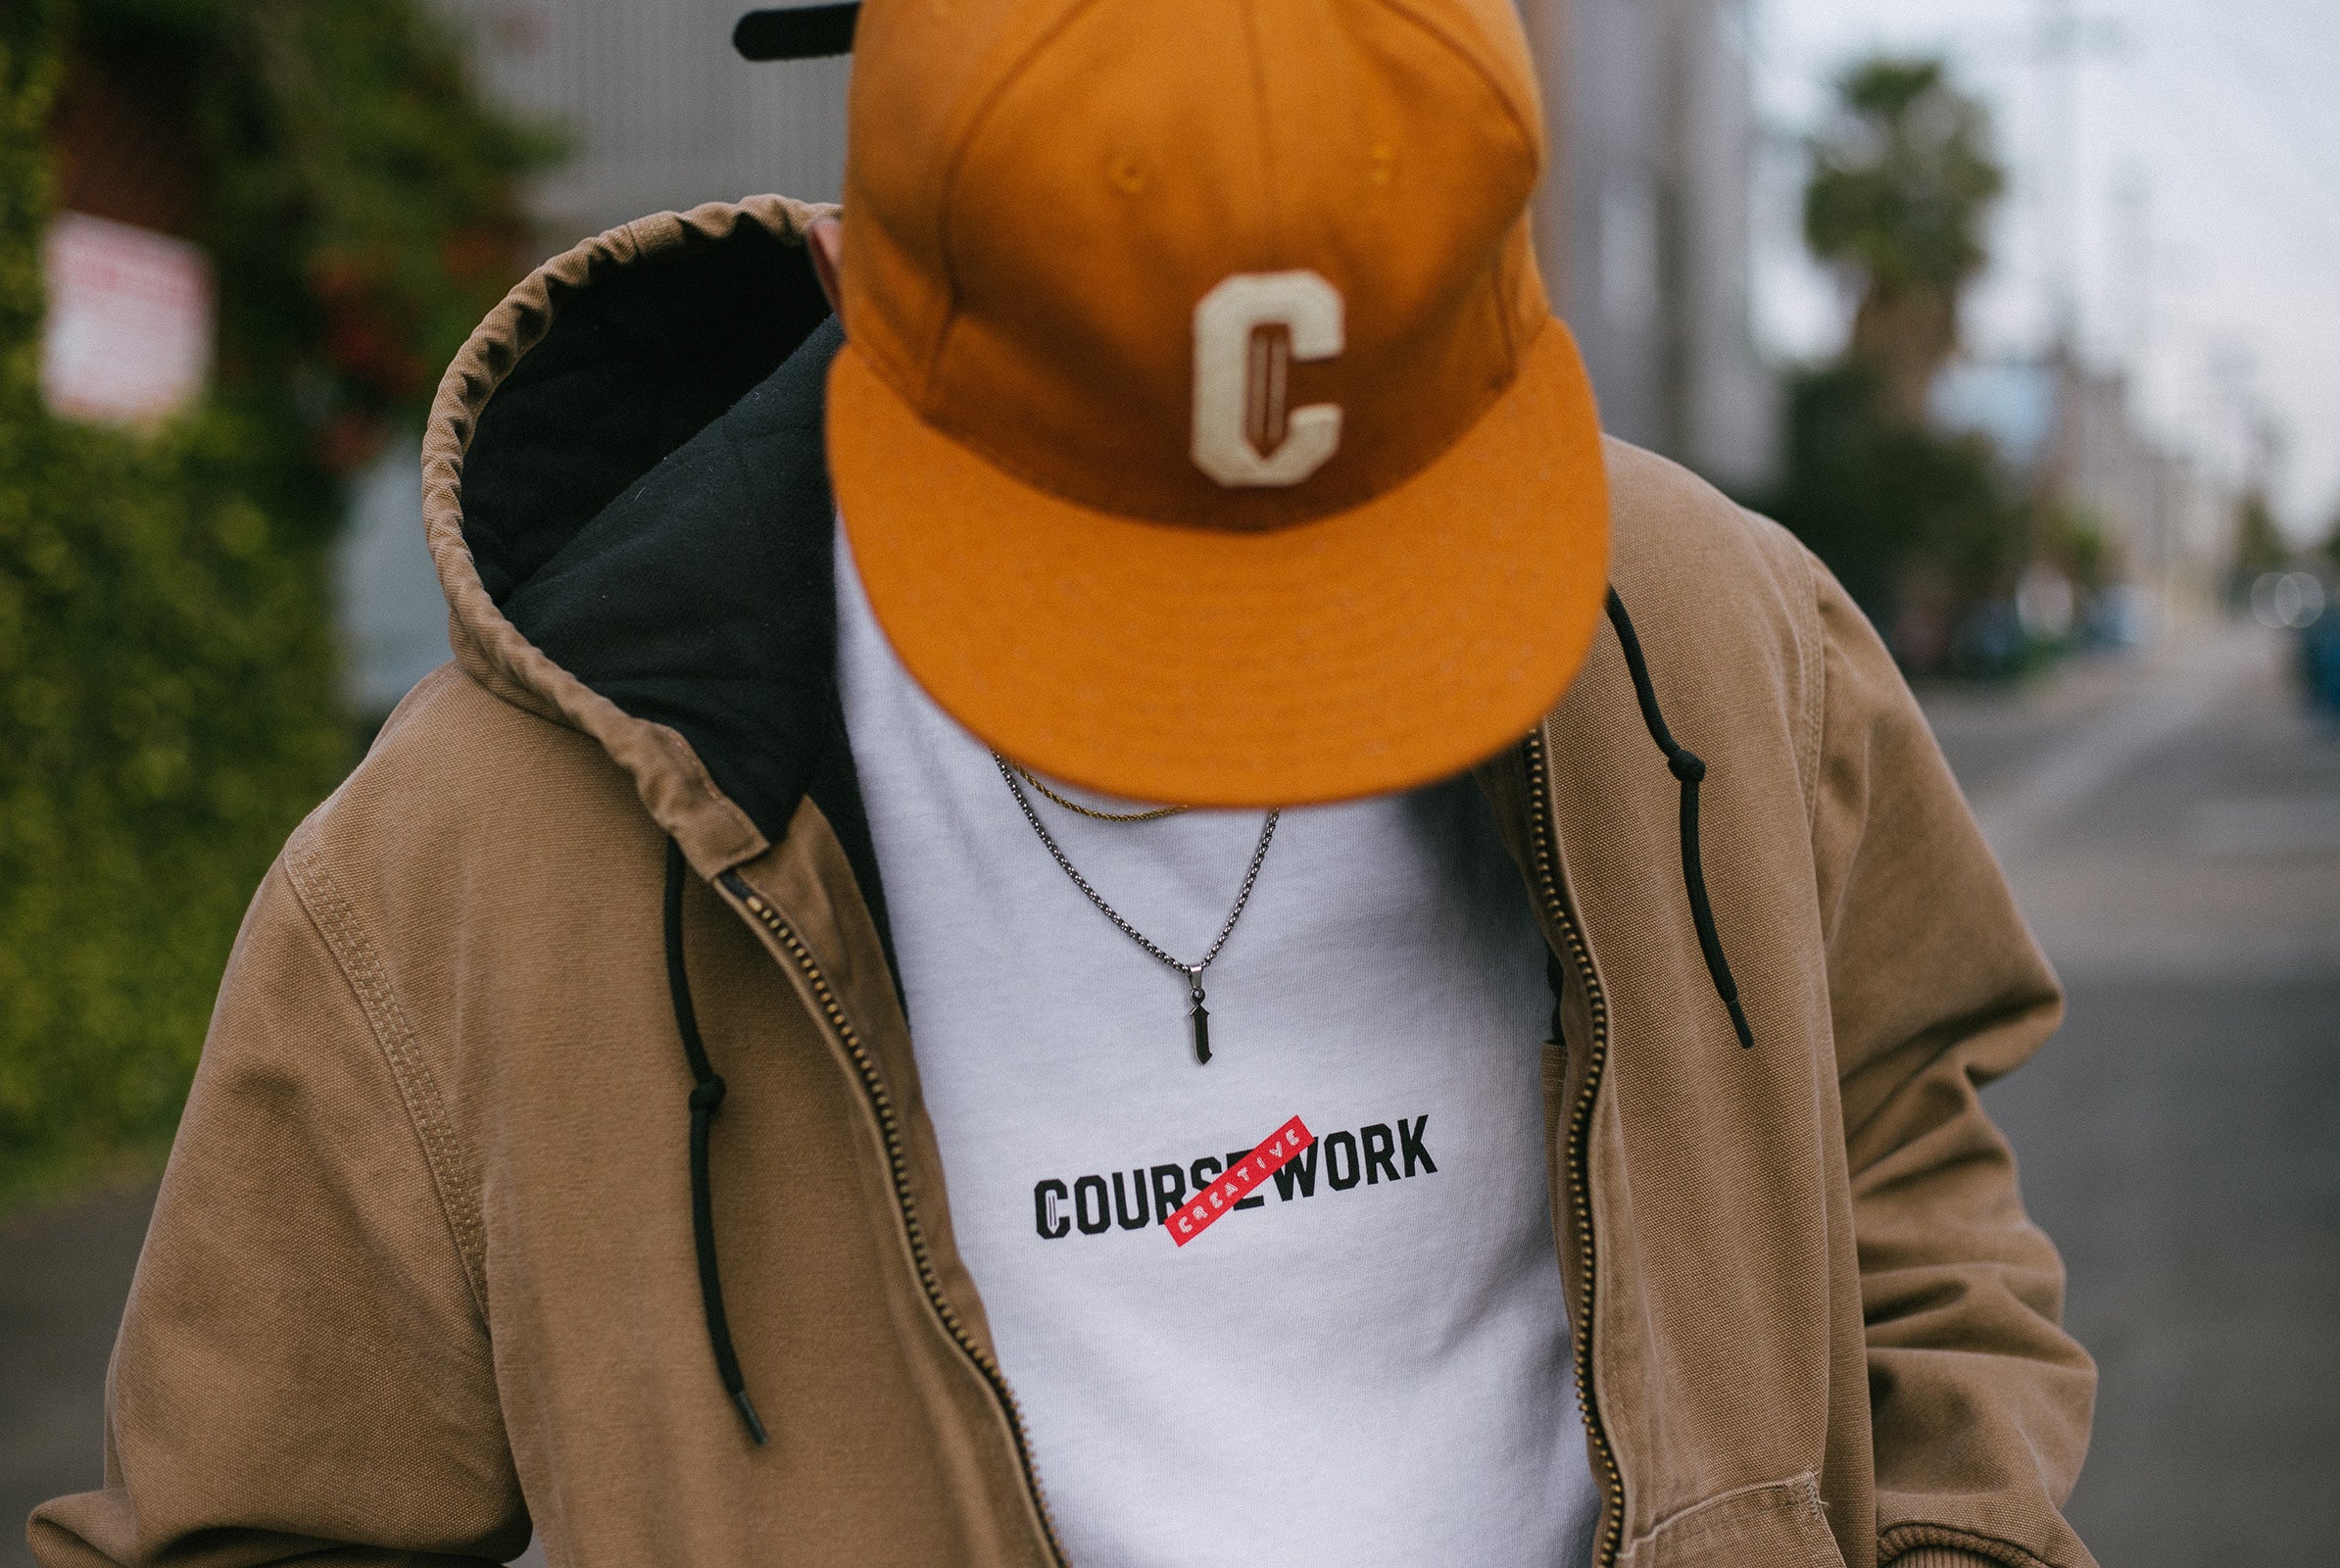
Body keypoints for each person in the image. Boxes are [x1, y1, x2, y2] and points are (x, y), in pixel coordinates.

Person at [32, 0, 2097, 1562]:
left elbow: (1901, 1144)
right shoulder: (478, 863)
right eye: (1114, 553)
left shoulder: (1721, 646)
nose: (1250, 670)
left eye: (1351, 542)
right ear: (855, 271)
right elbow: (253, 1515)